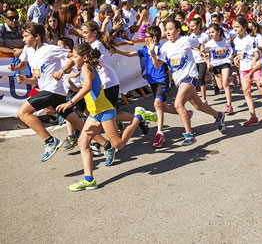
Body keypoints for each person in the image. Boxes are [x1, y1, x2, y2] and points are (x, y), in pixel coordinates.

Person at [56, 43, 157, 191]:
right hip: (95, 112)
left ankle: (139, 117)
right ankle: (89, 179)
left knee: (118, 144)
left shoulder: (86, 68)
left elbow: (88, 88)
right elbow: (87, 89)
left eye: (75, 56)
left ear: (84, 57)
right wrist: (73, 85)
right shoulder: (84, 68)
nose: (72, 58)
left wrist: (70, 102)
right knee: (83, 142)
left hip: (104, 110)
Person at [147, 19, 226, 145]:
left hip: (190, 77)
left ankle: (189, 135)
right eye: (166, 29)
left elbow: (198, 42)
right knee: (198, 106)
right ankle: (218, 115)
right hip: (179, 81)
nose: (167, 32)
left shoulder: (185, 40)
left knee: (178, 104)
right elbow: (157, 66)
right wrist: (152, 53)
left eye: (170, 29)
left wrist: (202, 48)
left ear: (178, 31)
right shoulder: (165, 47)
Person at [15, 23, 84, 162]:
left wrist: (62, 71)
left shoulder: (50, 49)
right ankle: (105, 144)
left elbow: (74, 56)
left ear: (37, 36)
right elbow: (37, 79)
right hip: (49, 90)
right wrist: (25, 80)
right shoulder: (29, 51)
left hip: (54, 90)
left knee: (23, 112)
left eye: (26, 36)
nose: (23, 40)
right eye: (23, 36)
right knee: (76, 123)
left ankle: (50, 141)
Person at [113, 26, 181, 148]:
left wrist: (152, 52)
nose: (144, 38)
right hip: (153, 82)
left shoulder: (160, 49)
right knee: (164, 107)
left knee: (157, 105)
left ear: (154, 38)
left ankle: (160, 133)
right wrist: (117, 51)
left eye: (146, 37)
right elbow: (130, 53)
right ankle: (184, 113)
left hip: (161, 80)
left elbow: (157, 66)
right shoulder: (145, 49)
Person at [233, 16, 262, 126]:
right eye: (234, 27)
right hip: (243, 69)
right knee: (246, 92)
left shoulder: (251, 39)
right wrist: (236, 58)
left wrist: (254, 60)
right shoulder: (236, 40)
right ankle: (253, 117)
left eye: (237, 27)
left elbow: (256, 54)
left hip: (254, 67)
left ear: (244, 28)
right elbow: (239, 53)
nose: (235, 29)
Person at [202, 23, 234, 114]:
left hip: (225, 63)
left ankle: (229, 106)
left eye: (212, 32)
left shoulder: (226, 41)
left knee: (225, 84)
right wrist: (207, 61)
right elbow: (202, 54)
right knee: (220, 87)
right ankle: (233, 78)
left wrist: (231, 56)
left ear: (219, 31)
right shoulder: (208, 44)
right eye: (209, 33)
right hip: (216, 65)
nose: (210, 34)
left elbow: (230, 51)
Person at [188, 17, 210, 104]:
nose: (191, 28)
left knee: (201, 78)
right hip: (193, 60)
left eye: (193, 26)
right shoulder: (190, 36)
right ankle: (211, 76)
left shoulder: (205, 36)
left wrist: (203, 51)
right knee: (195, 79)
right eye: (190, 26)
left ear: (198, 25)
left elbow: (209, 47)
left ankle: (204, 99)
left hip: (202, 60)